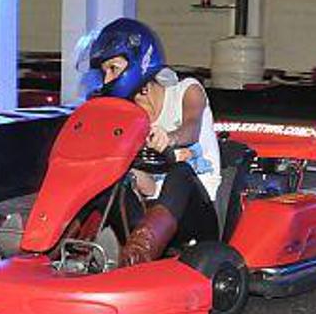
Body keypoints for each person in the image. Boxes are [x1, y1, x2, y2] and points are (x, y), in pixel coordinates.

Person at [82, 17, 221, 267]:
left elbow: (191, 128)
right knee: (106, 179)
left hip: (199, 214)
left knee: (180, 172)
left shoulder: (186, 90)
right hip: (152, 223)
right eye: (104, 72)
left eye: (113, 68)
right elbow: (147, 186)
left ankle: (136, 257)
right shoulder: (130, 118)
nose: (107, 80)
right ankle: (59, 247)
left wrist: (170, 138)